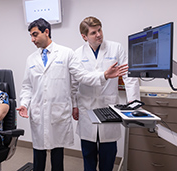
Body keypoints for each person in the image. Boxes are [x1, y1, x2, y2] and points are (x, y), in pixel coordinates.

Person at [17, 18, 129, 171]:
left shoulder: (66, 53)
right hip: (39, 114)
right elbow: (27, 86)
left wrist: (104, 76)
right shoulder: (31, 59)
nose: (32, 39)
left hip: (58, 114)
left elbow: (82, 77)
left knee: (58, 157)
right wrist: (24, 103)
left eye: (35, 35)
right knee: (38, 156)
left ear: (46, 32)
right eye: (31, 35)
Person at [72, 16, 140, 171]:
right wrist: (74, 105)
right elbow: (74, 83)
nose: (99, 34)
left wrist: (134, 103)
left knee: (108, 155)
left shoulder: (116, 48)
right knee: (88, 154)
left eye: (100, 30)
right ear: (84, 37)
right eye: (93, 32)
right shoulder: (77, 54)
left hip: (108, 107)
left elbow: (129, 76)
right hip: (86, 108)